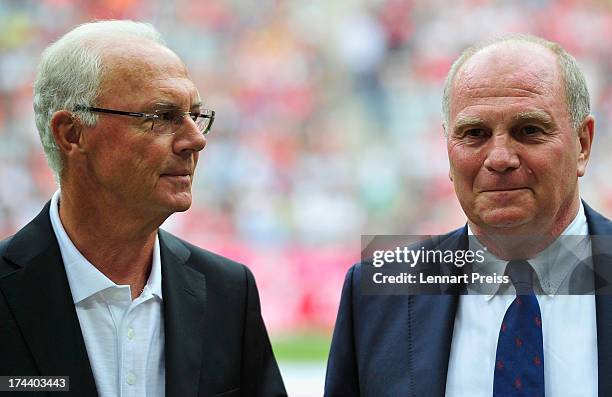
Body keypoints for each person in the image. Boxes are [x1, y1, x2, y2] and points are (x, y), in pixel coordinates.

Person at [0, 20, 286, 397]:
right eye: (162, 117)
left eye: (195, 115)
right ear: (72, 133)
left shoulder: (228, 292)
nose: (195, 140)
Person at [325, 34, 612, 396]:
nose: (500, 158)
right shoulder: (378, 291)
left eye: (529, 130)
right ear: (447, 148)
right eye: (475, 133)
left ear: (583, 144)